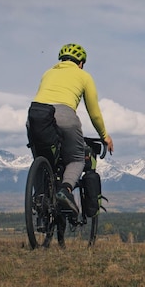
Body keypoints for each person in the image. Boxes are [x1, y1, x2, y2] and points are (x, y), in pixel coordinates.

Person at [31, 43, 114, 215]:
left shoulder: (48, 73)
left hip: (36, 115)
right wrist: (105, 135)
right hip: (64, 115)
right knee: (77, 159)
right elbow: (94, 112)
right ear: (81, 63)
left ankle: (40, 198)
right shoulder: (83, 76)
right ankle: (66, 190)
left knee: (42, 159)